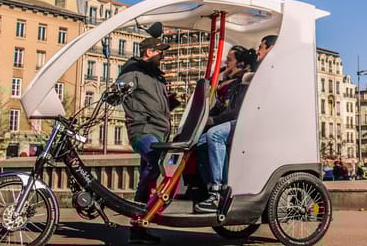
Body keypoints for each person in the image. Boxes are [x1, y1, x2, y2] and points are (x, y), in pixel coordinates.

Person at [193, 36, 273, 213]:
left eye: (262, 47)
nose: (258, 51)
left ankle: (218, 190)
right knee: (200, 142)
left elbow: (241, 107)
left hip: (255, 121)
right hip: (246, 118)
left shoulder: (266, 69)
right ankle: (210, 189)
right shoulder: (254, 72)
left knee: (214, 134)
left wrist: (214, 119)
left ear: (271, 48)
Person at [117, 32, 181, 245]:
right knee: (155, 162)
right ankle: (140, 211)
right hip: (142, 129)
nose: (162, 56)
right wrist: (115, 93)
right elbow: (118, 92)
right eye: (160, 52)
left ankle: (138, 227)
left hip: (159, 131)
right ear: (149, 51)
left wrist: (172, 102)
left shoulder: (156, 76)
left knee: (149, 173)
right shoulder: (132, 70)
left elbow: (155, 104)